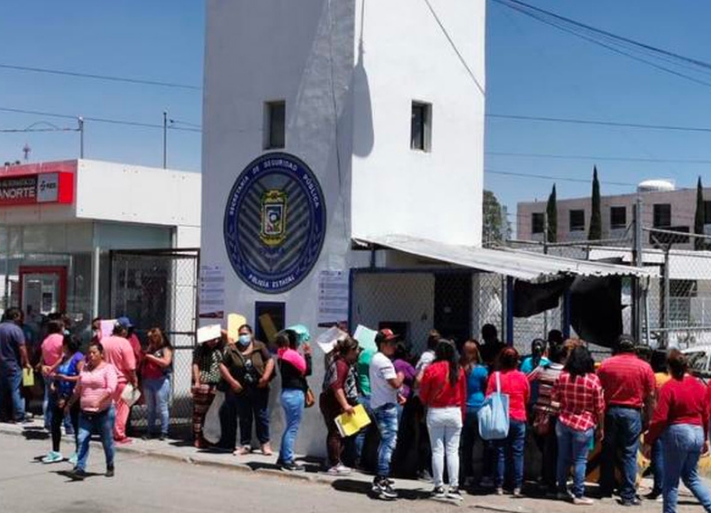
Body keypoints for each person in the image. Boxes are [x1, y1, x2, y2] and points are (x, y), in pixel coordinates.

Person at [645, 350, 711, 513]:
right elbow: (705, 413)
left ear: (669, 367)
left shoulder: (670, 386)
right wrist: (705, 439)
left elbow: (660, 418)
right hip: (697, 432)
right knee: (691, 477)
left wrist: (649, 440)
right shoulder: (699, 385)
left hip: (678, 433)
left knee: (671, 481)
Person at [597, 335, 656, 506]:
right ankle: (628, 494)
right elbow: (651, 396)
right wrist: (648, 418)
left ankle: (605, 489)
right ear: (634, 349)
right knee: (629, 453)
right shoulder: (644, 367)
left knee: (607, 450)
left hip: (610, 411)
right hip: (632, 412)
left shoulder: (606, 364)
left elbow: (597, 389)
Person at [552, 346, 605, 505]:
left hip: (563, 421)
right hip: (584, 423)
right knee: (580, 460)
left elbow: (554, 398)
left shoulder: (562, 376)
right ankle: (578, 493)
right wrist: (601, 427)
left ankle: (561, 490)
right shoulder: (593, 380)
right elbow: (600, 407)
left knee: (563, 458)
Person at [420, 339, 467, 501]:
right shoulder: (458, 370)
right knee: (453, 451)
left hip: (436, 412)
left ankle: (438, 486)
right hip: (454, 411)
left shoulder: (431, 369)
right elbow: (463, 393)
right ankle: (454, 486)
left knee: (437, 451)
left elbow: (423, 394)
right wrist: (463, 414)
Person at [219, 324, 274, 455]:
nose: (243, 336)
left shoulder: (259, 346)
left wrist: (265, 377)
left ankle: (265, 444)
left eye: (245, 333)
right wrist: (232, 382)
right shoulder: (233, 349)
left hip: (259, 388)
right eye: (241, 334)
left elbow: (270, 361)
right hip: (241, 390)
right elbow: (222, 366)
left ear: (251, 334)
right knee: (244, 417)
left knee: (261, 416)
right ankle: (245, 444)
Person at [66, 342, 118, 480]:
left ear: (102, 354)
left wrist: (99, 401)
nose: (91, 355)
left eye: (94, 352)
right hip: (85, 412)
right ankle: (80, 467)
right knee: (82, 438)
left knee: (107, 441)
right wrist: (69, 404)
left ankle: (110, 465)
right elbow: (78, 389)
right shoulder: (84, 368)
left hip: (104, 412)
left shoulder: (108, 369)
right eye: (89, 352)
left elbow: (111, 388)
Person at [486, 346, 530, 497]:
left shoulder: (495, 377)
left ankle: (499, 485)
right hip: (519, 417)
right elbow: (527, 396)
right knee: (517, 453)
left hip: (501, 418)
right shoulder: (522, 377)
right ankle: (517, 486)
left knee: (500, 452)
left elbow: (488, 397)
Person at [528, 342, 568, 496]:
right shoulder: (565, 373)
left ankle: (545, 479)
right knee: (555, 451)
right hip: (557, 414)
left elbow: (526, 379)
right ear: (563, 357)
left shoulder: (542, 368)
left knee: (545, 449)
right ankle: (552, 482)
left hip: (540, 413)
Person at [370, 329, 405, 501]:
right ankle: (382, 481)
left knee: (385, 442)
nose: (393, 345)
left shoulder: (378, 359)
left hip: (381, 404)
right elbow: (394, 383)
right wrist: (402, 374)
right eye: (390, 342)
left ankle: (380, 476)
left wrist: (397, 395)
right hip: (385, 408)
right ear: (382, 344)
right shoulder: (384, 362)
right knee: (389, 443)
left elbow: (386, 386)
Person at [320, 336, 360, 475]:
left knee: (340, 432)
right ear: (350, 350)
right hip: (333, 402)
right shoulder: (341, 364)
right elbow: (337, 387)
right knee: (336, 432)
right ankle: (334, 464)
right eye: (356, 350)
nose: (358, 352)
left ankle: (335, 460)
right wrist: (345, 405)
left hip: (333, 401)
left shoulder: (342, 361)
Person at [43, 335, 84, 464]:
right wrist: (54, 382)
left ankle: (79, 452)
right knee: (55, 423)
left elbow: (81, 377)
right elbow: (56, 372)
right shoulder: (64, 357)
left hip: (73, 395)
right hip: (61, 395)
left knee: (76, 425)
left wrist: (65, 378)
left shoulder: (78, 358)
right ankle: (55, 451)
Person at [276, 329, 312, 472]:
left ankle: (282, 457)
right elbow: (307, 370)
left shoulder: (282, 354)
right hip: (294, 394)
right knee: (292, 428)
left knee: (289, 427)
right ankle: (287, 460)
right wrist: (308, 353)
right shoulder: (291, 354)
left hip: (286, 393)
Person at [101, 321, 138, 443]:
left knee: (109, 408)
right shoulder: (124, 342)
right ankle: (119, 434)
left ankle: (107, 432)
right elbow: (130, 365)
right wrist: (134, 379)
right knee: (123, 408)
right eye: (126, 330)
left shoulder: (103, 341)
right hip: (121, 380)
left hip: (106, 379)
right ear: (122, 331)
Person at [460, 339, 489, 489]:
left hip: (464, 408)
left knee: (467, 444)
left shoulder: (459, 369)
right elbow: (487, 388)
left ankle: (467, 476)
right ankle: (484, 475)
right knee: (484, 443)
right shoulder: (482, 370)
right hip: (479, 407)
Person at [191, 325, 225, 448]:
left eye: (215, 339)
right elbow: (195, 364)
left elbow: (231, 339)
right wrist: (197, 381)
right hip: (204, 382)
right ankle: (198, 437)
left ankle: (205, 437)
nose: (213, 342)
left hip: (216, 383)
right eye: (211, 339)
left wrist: (216, 330)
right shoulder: (201, 349)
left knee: (210, 412)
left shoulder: (220, 348)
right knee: (200, 412)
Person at [647, 350, 671, 501]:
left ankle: (659, 489)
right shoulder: (672, 378)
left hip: (657, 419)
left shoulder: (654, 378)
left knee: (658, 455)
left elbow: (650, 399)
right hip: (672, 420)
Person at [141, 328, 173, 440]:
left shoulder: (166, 349)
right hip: (148, 379)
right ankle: (150, 430)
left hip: (161, 380)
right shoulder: (150, 348)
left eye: (152, 338)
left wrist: (151, 357)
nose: (150, 341)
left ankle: (164, 431)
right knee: (150, 408)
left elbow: (165, 362)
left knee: (162, 406)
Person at [0, 307, 31, 423]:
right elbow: (22, 348)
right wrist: (27, 362)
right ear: (16, 316)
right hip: (13, 364)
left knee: (2, 389)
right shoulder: (16, 330)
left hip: (1, 364)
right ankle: (19, 415)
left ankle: (3, 414)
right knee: (16, 389)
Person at [40, 320, 66, 430]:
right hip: (58, 371)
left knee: (48, 397)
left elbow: (42, 356)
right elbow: (63, 357)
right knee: (61, 397)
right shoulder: (61, 339)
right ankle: (60, 422)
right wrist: (54, 366)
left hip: (47, 371)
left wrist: (43, 366)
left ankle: (47, 421)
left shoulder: (46, 340)